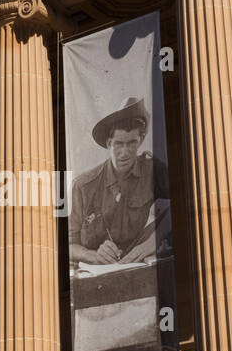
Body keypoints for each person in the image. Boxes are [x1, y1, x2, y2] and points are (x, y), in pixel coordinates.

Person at [68, 97, 171, 267]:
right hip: (97, 271)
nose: (124, 153)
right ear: (109, 143)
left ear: (141, 140)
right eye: (118, 144)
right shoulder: (83, 186)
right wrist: (91, 255)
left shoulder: (152, 169)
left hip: (138, 263)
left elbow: (183, 203)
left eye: (132, 143)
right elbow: (68, 244)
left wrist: (152, 242)